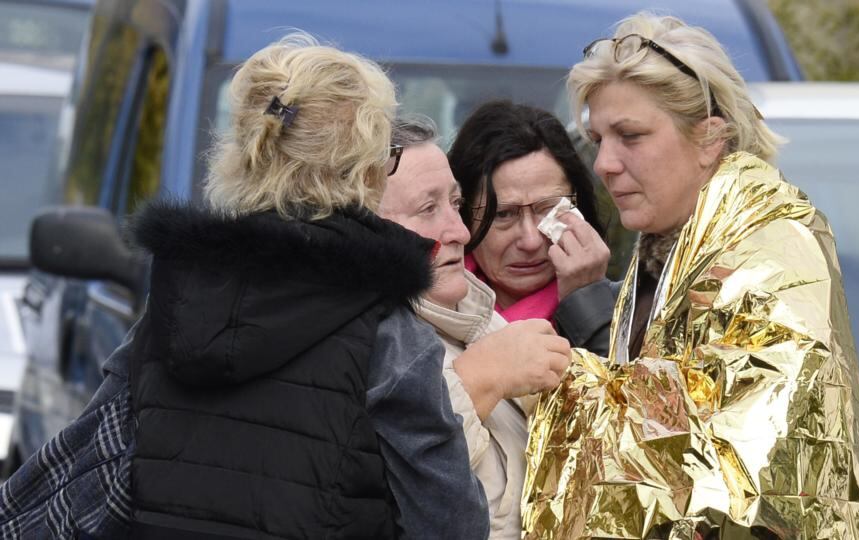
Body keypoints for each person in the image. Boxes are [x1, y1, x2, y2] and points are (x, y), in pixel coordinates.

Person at [0, 34, 491, 540]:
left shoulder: (176, 303)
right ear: (365, 170)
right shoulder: (387, 330)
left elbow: (83, 472)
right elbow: (451, 522)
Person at [522, 12, 859, 539]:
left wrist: (534, 374)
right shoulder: (666, 249)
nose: (603, 162)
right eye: (598, 137)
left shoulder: (768, 254)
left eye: (630, 135)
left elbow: (735, 476)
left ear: (711, 137)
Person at [378, 116, 571, 539]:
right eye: (428, 209)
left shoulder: (471, 314)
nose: (461, 231)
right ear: (362, 228)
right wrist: (477, 383)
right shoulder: (356, 343)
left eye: (456, 204)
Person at [448, 101, 616, 355]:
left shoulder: (631, 312)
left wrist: (587, 302)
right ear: (461, 216)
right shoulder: (428, 319)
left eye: (548, 210)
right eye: (503, 214)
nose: (531, 241)